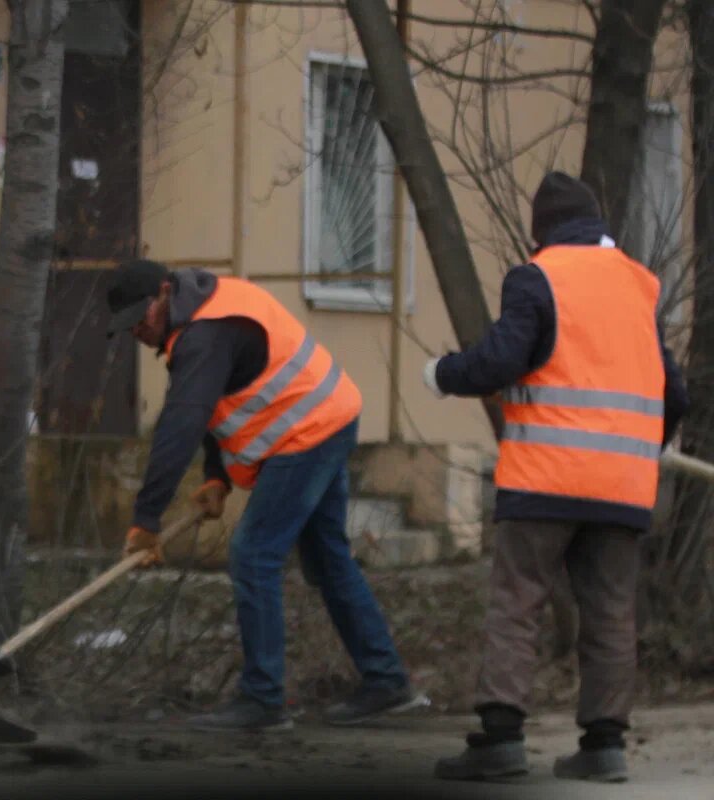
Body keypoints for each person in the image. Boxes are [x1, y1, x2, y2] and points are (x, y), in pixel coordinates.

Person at [426, 171, 689, 783]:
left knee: (518, 603)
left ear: (542, 230)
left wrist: (443, 374)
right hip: (623, 485)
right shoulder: (639, 285)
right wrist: (650, 441)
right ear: (597, 223)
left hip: (546, 478)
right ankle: (603, 746)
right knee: (611, 611)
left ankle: (500, 739)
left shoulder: (537, 277)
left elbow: (500, 359)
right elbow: (671, 388)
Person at [107, 259, 423, 731]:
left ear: (165, 292)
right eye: (126, 323)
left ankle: (262, 700)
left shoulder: (204, 334)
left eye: (140, 315)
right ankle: (386, 681)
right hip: (327, 417)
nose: (136, 328)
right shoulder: (199, 319)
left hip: (309, 432)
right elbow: (215, 401)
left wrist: (146, 520)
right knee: (328, 558)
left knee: (253, 555)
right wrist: (216, 475)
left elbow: (181, 424)